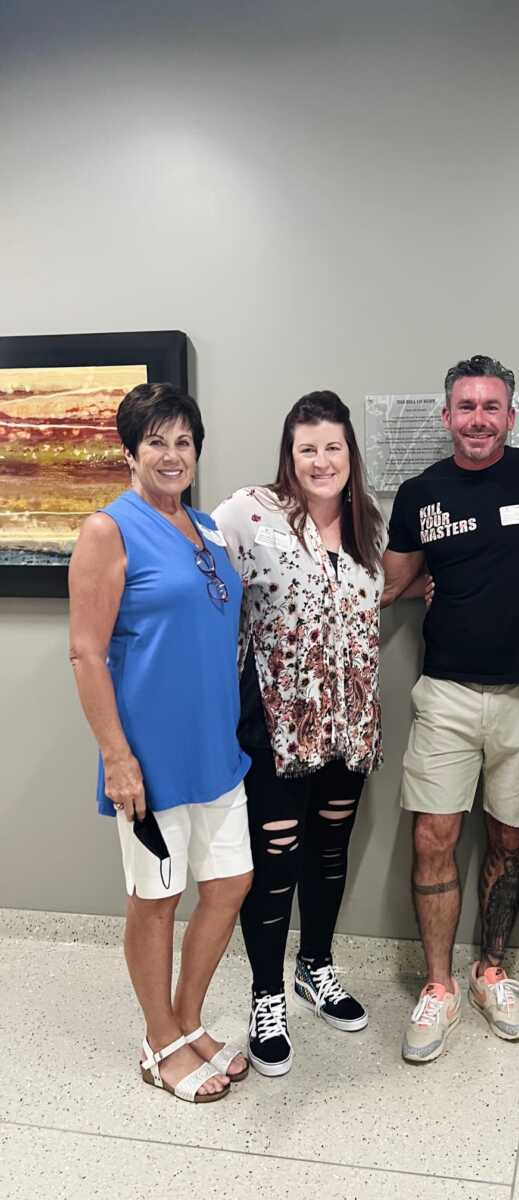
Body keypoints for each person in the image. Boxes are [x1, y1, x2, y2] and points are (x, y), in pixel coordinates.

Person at [382, 354, 519, 1063]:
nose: (478, 420)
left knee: (509, 843)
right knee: (433, 836)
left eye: (491, 407)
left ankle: (491, 972)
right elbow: (393, 583)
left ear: (511, 416)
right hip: (447, 695)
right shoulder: (418, 492)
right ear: (446, 417)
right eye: (466, 407)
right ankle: (439, 986)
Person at [68, 382, 253, 1104]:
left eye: (183, 441)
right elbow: (86, 653)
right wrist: (117, 758)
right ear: (131, 451)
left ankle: (187, 1019)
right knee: (157, 898)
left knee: (230, 884)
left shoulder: (205, 527)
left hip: (217, 751)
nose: (172, 455)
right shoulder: (108, 530)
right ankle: (159, 1042)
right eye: (156, 441)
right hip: (149, 760)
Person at [213, 391, 385, 1077]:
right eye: (307, 448)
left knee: (331, 849)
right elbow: (200, 581)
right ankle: (267, 996)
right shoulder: (250, 513)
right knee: (276, 860)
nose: (321, 460)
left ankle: (317, 966)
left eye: (333, 447)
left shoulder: (369, 524)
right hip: (277, 727)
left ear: (350, 454)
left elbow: (378, 595)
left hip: (351, 723)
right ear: (289, 455)